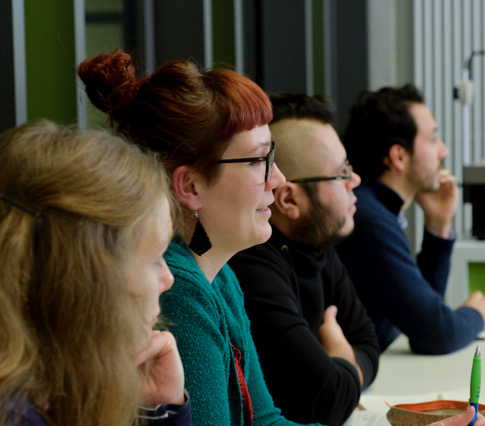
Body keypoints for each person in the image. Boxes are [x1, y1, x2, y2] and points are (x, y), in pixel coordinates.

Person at [78, 51, 319, 426]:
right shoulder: (178, 290)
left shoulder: (217, 273)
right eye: (258, 161)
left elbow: (265, 421)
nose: (279, 179)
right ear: (190, 185)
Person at [0, 120, 190, 425]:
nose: (168, 279)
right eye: (155, 259)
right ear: (90, 277)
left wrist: (158, 406)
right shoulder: (16, 415)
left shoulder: (54, 383)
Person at [228, 94, 379, 426]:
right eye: (341, 174)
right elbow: (329, 400)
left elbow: (369, 344)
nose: (355, 181)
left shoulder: (316, 244)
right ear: (288, 199)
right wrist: (340, 349)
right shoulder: (249, 267)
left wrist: (343, 369)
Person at [336, 84, 485, 355]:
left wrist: (438, 226)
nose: (444, 151)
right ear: (398, 156)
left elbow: (421, 317)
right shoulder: (368, 218)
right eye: (433, 138)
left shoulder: (375, 208)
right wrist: (477, 315)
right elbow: (435, 334)